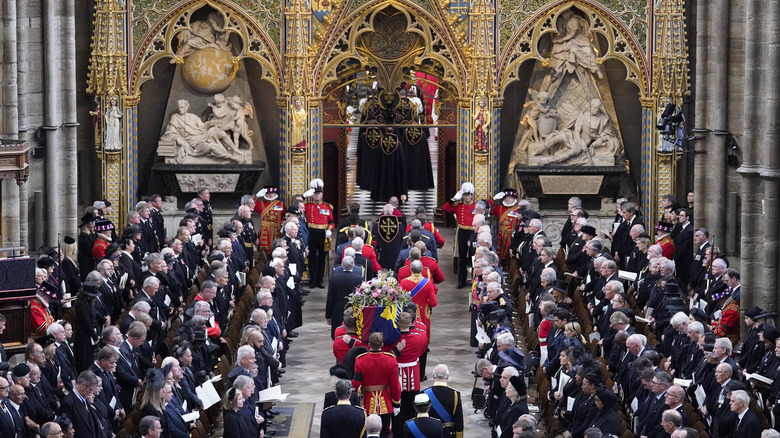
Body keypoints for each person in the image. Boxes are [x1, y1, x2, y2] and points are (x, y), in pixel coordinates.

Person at [352, 332, 402, 437]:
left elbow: (356, 384)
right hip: (385, 401)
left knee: (368, 431)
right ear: (382, 344)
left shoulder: (360, 360)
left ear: (369, 344)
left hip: (367, 402)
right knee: (385, 431)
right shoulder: (391, 359)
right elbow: (395, 385)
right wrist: (396, 402)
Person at [442, 182, 476, 288]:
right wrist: (453, 199)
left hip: (473, 233)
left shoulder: (476, 206)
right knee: (462, 257)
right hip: (462, 233)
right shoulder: (459, 206)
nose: (466, 197)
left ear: (472, 195)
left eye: (468, 195)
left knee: (473, 257)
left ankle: (474, 280)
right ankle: (461, 281)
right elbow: (445, 208)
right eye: (464, 195)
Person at [303, 178, 334, 289]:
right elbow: (298, 206)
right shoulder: (307, 206)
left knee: (322, 258)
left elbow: (331, 221)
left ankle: (320, 280)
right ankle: (313, 280)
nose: (317, 196)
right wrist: (303, 196)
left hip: (323, 234)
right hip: (311, 233)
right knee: (312, 257)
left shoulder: (327, 207)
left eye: (318, 193)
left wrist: (330, 229)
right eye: (314, 194)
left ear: (321, 194)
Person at [422, 364, 464, 438]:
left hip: (430, 432)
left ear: (433, 376)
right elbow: (459, 420)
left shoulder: (424, 394)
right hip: (447, 433)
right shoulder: (455, 394)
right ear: (447, 377)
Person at [61, 371, 102, 438]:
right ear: (83, 385)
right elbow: (70, 430)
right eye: (90, 389)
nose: (91, 392)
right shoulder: (68, 402)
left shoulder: (84, 398)